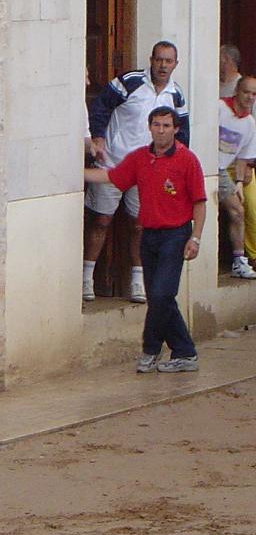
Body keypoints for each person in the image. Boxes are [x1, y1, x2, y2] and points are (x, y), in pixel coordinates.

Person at [85, 107, 205, 374]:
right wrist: (76, 174)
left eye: (166, 125)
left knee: (163, 294)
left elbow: (199, 202)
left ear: (175, 129)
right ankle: (185, 352)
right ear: (149, 127)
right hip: (148, 235)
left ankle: (150, 350)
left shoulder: (188, 160)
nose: (160, 130)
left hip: (176, 235)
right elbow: (111, 177)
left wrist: (195, 238)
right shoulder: (140, 158)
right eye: (156, 125)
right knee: (158, 297)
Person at [85, 41, 190, 304]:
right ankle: (86, 278)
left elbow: (183, 133)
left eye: (168, 61)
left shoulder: (176, 95)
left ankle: (137, 282)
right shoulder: (129, 82)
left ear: (175, 64)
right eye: (159, 60)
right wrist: (98, 139)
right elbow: (100, 107)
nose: (163, 65)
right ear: (151, 59)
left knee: (140, 225)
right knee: (101, 221)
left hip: (147, 171)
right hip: (113, 164)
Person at [216, 76, 256, 279]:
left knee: (238, 210)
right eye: (246, 92)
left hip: (222, 171)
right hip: (203, 165)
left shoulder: (250, 123)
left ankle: (239, 261)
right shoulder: (220, 108)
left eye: (254, 94)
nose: (250, 97)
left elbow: (242, 157)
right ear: (237, 92)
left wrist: (239, 182)